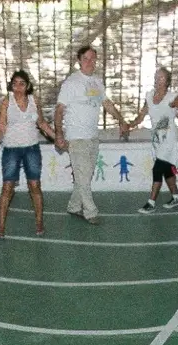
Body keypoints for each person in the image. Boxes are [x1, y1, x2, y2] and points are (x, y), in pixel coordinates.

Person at [55, 45, 128, 226]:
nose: (90, 62)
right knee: (83, 177)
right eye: (86, 58)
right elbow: (59, 110)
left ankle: (73, 206)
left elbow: (107, 104)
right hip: (76, 137)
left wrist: (121, 120)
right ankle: (90, 211)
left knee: (84, 177)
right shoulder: (71, 83)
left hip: (92, 137)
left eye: (93, 59)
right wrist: (58, 134)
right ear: (79, 60)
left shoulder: (97, 82)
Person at [0, 70, 56, 237]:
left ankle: (39, 223)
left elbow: (41, 123)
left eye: (22, 84)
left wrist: (57, 138)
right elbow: (1, 127)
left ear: (28, 86)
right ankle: (1, 227)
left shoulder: (34, 100)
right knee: (7, 188)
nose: (18, 87)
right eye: (15, 83)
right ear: (11, 85)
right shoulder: (6, 102)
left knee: (35, 186)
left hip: (31, 148)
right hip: (11, 150)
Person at [127, 66, 178, 213]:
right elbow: (141, 117)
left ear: (167, 81)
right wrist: (128, 126)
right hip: (157, 141)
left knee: (158, 168)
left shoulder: (172, 98)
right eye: (156, 77)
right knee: (167, 170)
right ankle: (176, 196)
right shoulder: (149, 97)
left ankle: (151, 203)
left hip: (170, 140)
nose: (157, 80)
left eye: (161, 77)